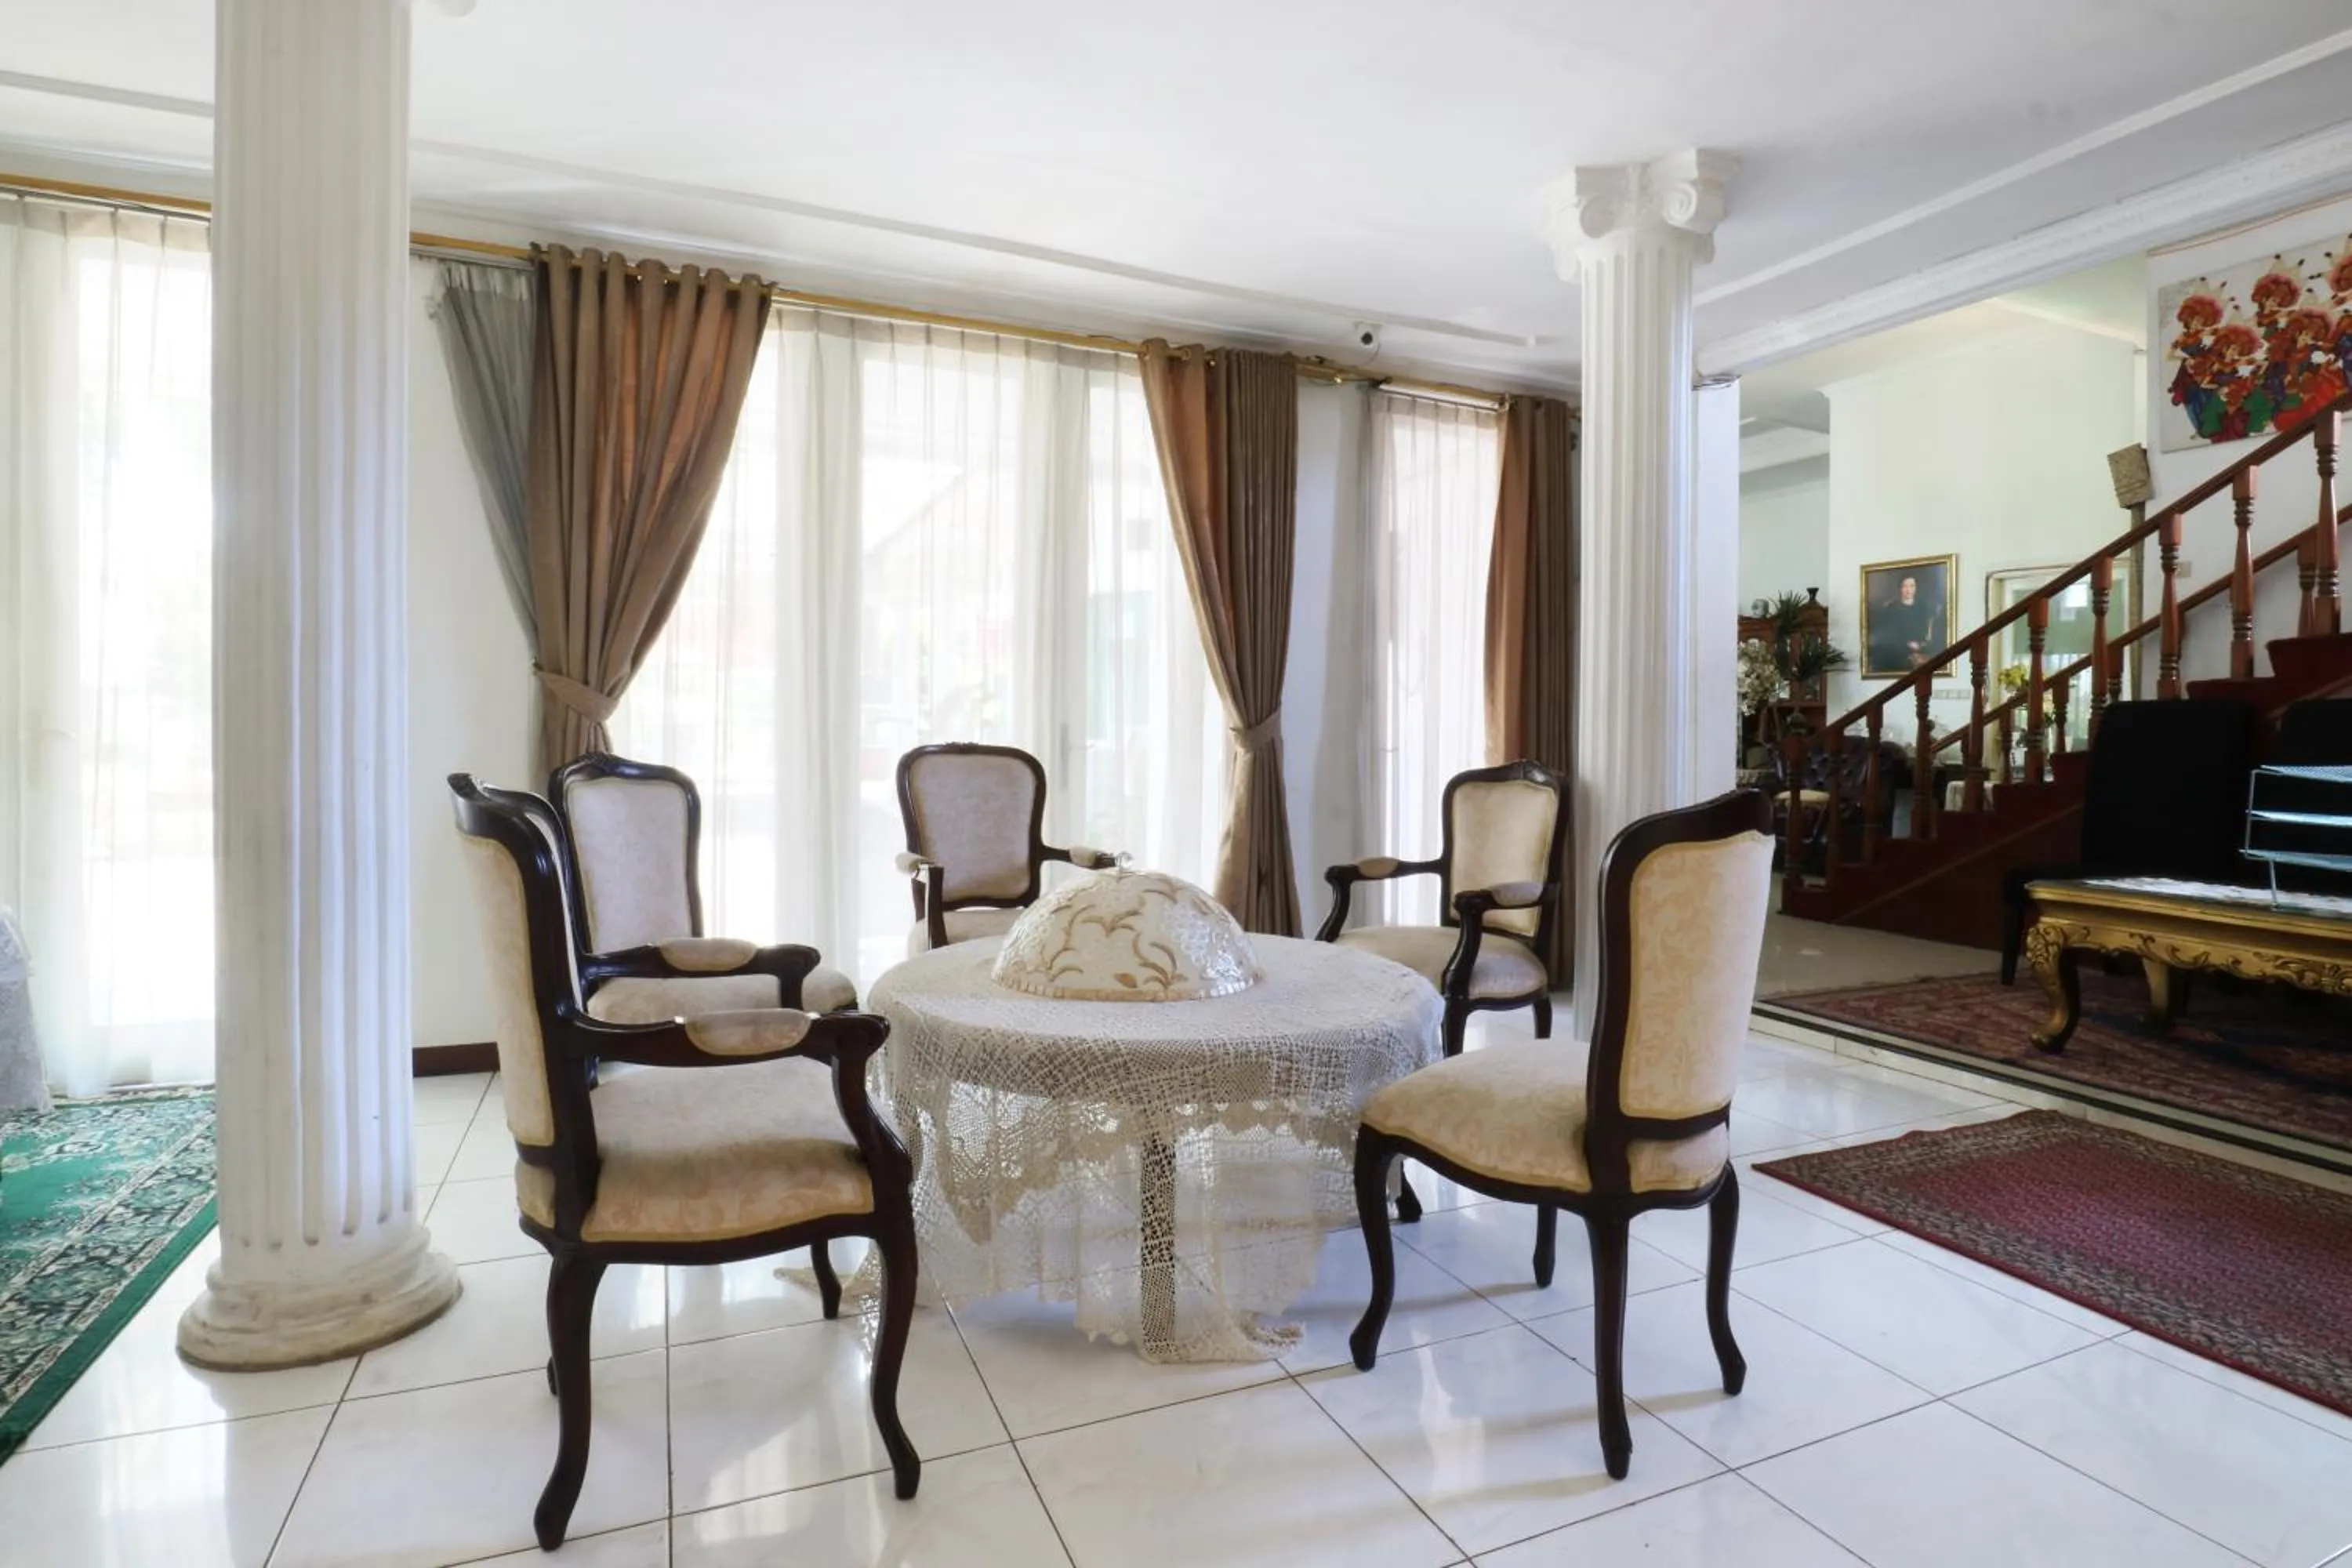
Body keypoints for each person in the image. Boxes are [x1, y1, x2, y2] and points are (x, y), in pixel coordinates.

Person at [1870, 572, 1944, 673]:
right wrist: (1907, 644)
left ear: (1916, 588)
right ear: (1900, 588)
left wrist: (1920, 644)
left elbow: (1926, 630)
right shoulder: (1891, 608)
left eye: (1912, 586)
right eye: (1905, 586)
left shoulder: (1922, 606)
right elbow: (1889, 635)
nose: (1909, 590)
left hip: (1920, 647)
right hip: (1898, 649)